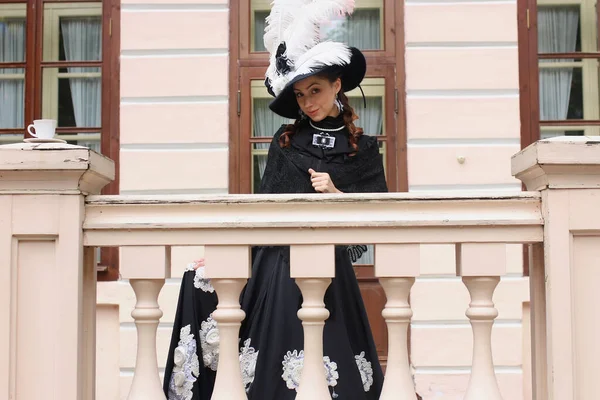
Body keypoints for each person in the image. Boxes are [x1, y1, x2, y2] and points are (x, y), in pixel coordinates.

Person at [163, 1, 415, 399]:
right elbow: (264, 209)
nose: (308, 101)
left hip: (328, 275)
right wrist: (225, 252)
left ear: (338, 85)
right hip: (277, 268)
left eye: (315, 90)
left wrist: (338, 195)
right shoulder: (285, 142)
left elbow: (376, 219)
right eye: (299, 94)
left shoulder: (363, 149)